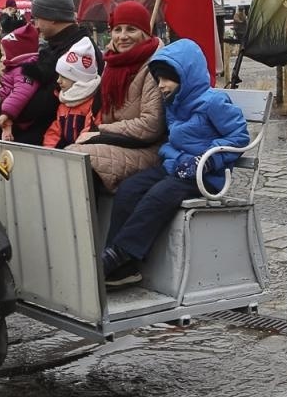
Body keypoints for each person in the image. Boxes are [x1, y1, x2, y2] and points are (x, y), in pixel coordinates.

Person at [99, 39, 249, 287]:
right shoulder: (173, 104)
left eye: (167, 79)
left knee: (159, 194)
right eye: (158, 80)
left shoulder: (213, 102)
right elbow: (171, 141)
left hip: (205, 177)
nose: (162, 86)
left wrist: (206, 161)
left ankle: (122, 253)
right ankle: (119, 265)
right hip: (176, 169)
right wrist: (176, 158)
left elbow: (239, 137)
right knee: (130, 188)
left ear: (186, 75)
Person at [68, 1, 165, 191]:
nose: (122, 36)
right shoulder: (112, 63)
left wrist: (101, 132)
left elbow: (151, 125)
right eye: (117, 29)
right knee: (67, 157)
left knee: (79, 160)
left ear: (145, 32)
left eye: (131, 29)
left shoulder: (156, 66)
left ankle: (86, 221)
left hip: (148, 149)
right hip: (118, 142)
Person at [11, 0, 93, 146]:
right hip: (48, 127)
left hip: (62, 133)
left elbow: (50, 99)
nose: (35, 25)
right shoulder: (55, 46)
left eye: (37, 18)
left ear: (52, 18)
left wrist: (17, 115)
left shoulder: (79, 51)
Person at [43, 37, 102, 148]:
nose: (58, 81)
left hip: (81, 154)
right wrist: (49, 151)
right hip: (68, 154)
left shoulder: (94, 103)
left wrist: (74, 152)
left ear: (78, 79)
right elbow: (55, 130)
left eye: (64, 77)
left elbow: (90, 132)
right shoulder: (65, 102)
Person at [0, 22, 41, 141]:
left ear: (16, 54)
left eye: (4, 54)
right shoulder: (13, 69)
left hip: (14, 118)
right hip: (5, 113)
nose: (2, 58)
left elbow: (21, 93)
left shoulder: (24, 70)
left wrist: (6, 113)